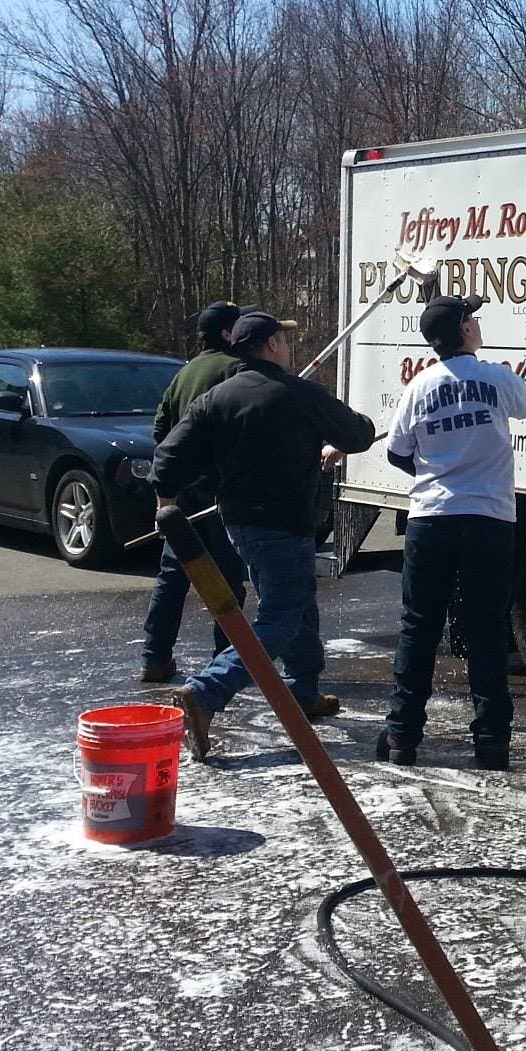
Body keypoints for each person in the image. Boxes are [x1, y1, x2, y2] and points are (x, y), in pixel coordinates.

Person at [152, 311, 377, 761]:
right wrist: (345, 427)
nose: (290, 348)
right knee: (281, 618)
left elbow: (166, 459)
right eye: (285, 341)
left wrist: (166, 502)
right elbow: (358, 434)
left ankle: (303, 691)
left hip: (239, 526)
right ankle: (204, 692)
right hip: (285, 526)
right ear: (272, 345)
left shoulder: (216, 399)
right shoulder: (300, 395)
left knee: (296, 603)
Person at [376, 294, 526, 770]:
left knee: (418, 629)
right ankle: (492, 742)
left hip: (430, 519)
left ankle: (402, 736)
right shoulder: (495, 377)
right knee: (485, 631)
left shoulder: (419, 387)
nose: (476, 322)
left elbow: (396, 453)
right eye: (471, 318)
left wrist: (437, 470)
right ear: (465, 331)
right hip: (489, 521)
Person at [138, 301, 250, 684]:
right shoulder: (236, 370)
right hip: (218, 495)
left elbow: (161, 430)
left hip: (182, 494)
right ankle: (226, 661)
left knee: (173, 575)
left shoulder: (184, 373)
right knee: (228, 577)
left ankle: (155, 657)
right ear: (225, 334)